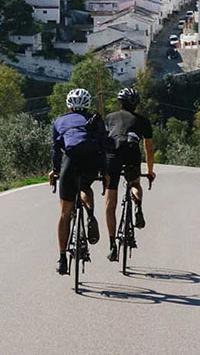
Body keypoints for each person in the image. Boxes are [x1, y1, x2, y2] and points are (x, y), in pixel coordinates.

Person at [49, 87, 105, 275]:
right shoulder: (96, 120)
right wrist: (104, 172)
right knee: (85, 187)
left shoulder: (60, 121)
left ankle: (62, 259)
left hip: (70, 162)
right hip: (91, 161)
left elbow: (56, 149)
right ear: (88, 104)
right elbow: (103, 147)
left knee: (65, 213)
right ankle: (90, 214)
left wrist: (56, 170)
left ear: (69, 104)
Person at [103, 86, 156, 263]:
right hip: (132, 151)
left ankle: (112, 246)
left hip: (113, 155)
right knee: (135, 184)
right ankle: (138, 206)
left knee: (110, 202)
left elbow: (102, 142)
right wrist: (149, 171)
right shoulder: (143, 121)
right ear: (136, 104)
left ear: (120, 103)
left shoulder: (109, 118)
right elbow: (149, 149)